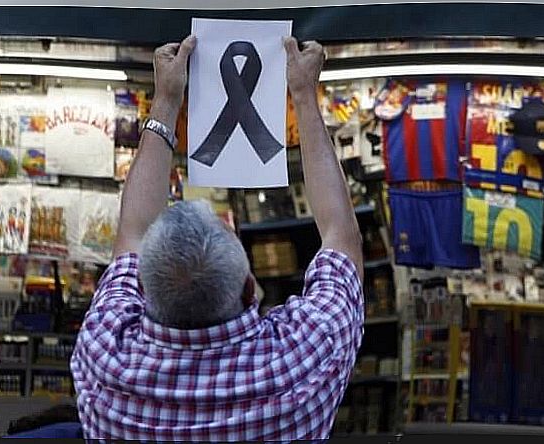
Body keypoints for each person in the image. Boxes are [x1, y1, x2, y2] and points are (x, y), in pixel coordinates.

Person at [70, 34, 364, 441]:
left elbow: (132, 232)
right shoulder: (299, 361)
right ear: (250, 290)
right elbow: (341, 236)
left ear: (142, 287)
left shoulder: (107, 356)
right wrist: (303, 95)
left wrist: (167, 100)